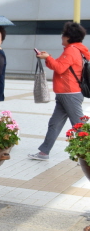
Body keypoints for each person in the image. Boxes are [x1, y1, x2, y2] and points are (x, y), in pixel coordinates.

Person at [30, 22, 90, 160]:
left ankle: (88, 151)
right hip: (65, 94)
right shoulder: (75, 49)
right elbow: (59, 65)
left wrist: (48, 58)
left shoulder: (71, 50)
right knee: (54, 124)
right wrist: (48, 58)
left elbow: (59, 68)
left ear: (69, 36)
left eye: (64, 34)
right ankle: (44, 152)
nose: (61, 37)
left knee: (79, 125)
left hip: (70, 94)